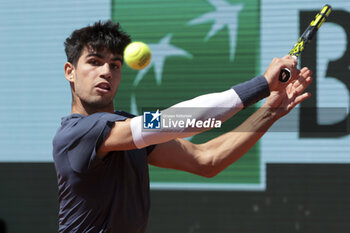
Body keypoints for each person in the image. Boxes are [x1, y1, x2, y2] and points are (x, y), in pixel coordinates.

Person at [52, 20, 312, 233]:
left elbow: (206, 160)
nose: (106, 71)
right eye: (94, 62)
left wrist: (269, 111)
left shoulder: (125, 129)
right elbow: (175, 122)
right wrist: (261, 85)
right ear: (69, 72)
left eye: (115, 65)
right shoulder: (76, 134)